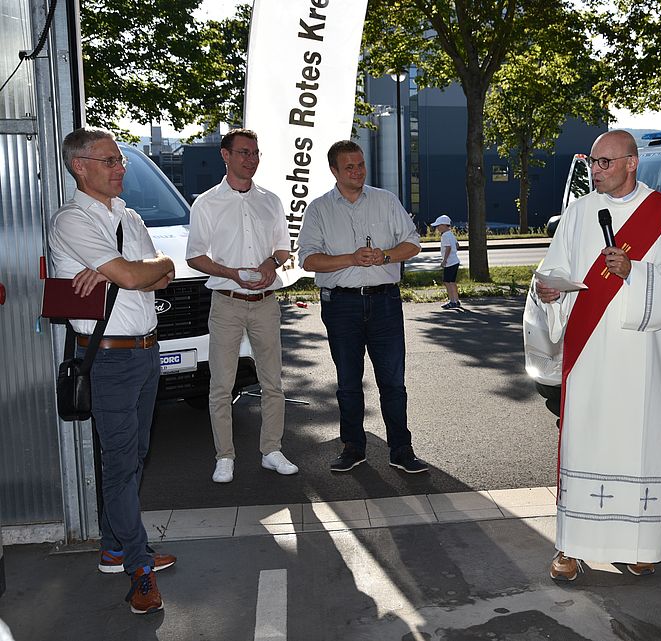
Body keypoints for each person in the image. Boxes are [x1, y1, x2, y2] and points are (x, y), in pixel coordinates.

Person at [533, 129, 661, 581]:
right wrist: (550, 291)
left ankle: (640, 545)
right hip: (590, 353)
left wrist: (635, 272)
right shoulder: (579, 212)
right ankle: (571, 546)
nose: (596, 170)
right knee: (585, 443)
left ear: (632, 163)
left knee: (639, 446)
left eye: (605, 162)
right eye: (592, 162)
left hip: (644, 356)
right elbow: (555, 268)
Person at [48, 127, 177, 614]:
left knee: (135, 456)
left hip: (146, 353)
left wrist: (136, 267)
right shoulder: (71, 220)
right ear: (79, 167)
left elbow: (165, 274)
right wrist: (124, 270)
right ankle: (139, 569)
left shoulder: (129, 215)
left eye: (120, 160)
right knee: (122, 463)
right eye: (109, 161)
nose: (120, 168)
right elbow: (130, 275)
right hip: (108, 359)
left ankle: (113, 548)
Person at [298, 140, 427, 474]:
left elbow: (413, 243)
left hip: (385, 302)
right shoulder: (319, 209)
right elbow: (308, 259)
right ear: (334, 171)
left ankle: (401, 449)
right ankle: (353, 447)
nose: (357, 172)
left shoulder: (386, 200)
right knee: (348, 382)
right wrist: (351, 259)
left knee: (393, 383)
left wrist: (385, 256)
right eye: (349, 167)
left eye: (361, 165)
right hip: (341, 305)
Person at [186, 128, 298, 483]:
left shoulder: (271, 201)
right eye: (244, 152)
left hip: (265, 303)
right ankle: (224, 456)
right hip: (227, 303)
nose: (251, 159)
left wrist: (271, 263)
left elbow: (283, 249)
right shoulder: (207, 203)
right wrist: (230, 273)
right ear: (226, 155)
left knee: (273, 382)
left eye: (255, 153)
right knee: (221, 385)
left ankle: (272, 450)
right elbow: (194, 257)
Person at [430, 215, 461, 309]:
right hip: (455, 261)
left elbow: (448, 248)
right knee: (452, 282)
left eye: (438, 226)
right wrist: (454, 253)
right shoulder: (451, 234)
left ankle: (452, 301)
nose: (437, 228)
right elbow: (457, 245)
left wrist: (444, 260)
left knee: (447, 282)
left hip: (449, 263)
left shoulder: (444, 236)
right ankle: (456, 300)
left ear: (444, 225)